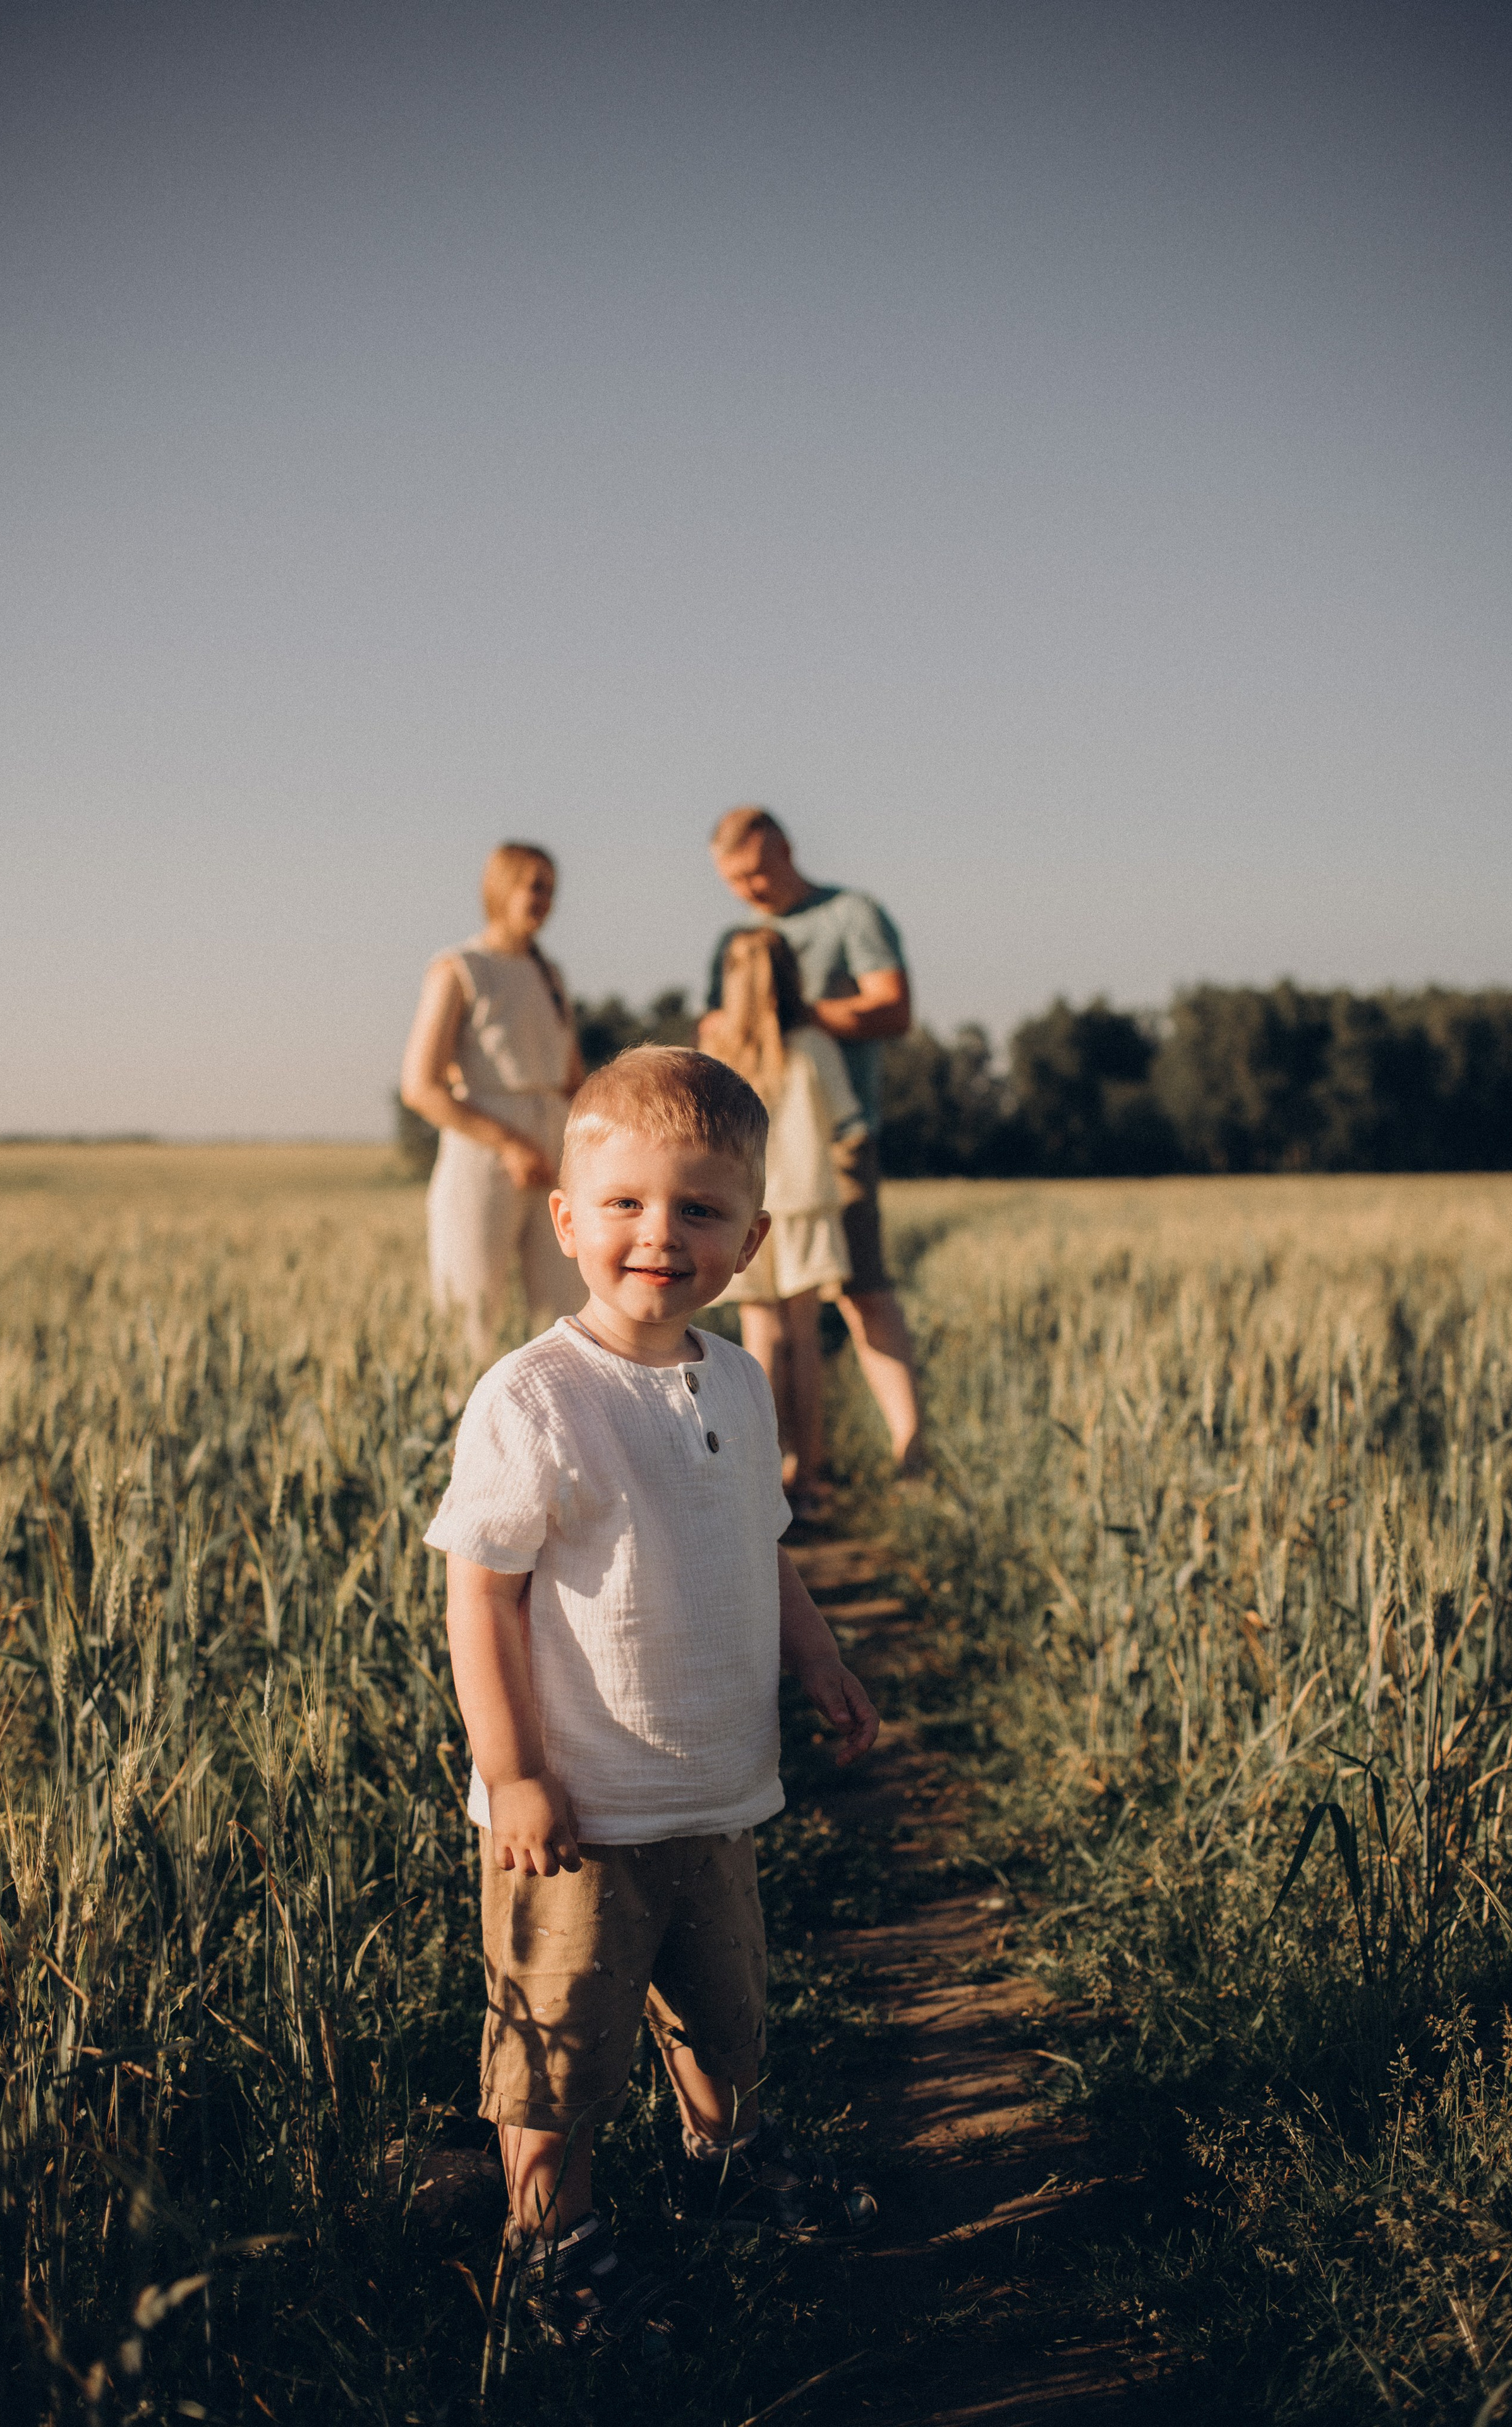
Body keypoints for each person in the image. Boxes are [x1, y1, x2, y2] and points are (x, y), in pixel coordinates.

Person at [425, 1045, 880, 2350]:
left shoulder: (735, 1380)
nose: (657, 1235)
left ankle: (722, 2163)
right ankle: (551, 2245)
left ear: (752, 1235)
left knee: (722, 2013)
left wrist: (821, 1659)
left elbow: (763, 1545)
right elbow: (482, 1597)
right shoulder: (535, 1397)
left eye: (697, 1208)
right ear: (564, 1218)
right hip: (573, 1812)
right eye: (623, 1202)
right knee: (556, 2048)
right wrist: (512, 1771)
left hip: (713, 1788)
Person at [708, 805, 921, 1468]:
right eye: (733, 881)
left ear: (784, 851)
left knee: (863, 1291)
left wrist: (794, 1014)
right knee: (778, 1321)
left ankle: (909, 1451)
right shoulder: (740, 936)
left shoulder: (850, 914)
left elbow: (893, 1006)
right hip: (760, 1155)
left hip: (835, 1142)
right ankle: (791, 1465)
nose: (749, 891)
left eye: (755, 873)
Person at [698, 927, 866, 1519]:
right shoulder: (815, 1045)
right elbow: (849, 1127)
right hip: (809, 1205)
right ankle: (811, 1472)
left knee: (760, 1342)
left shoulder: (716, 1049)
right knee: (804, 1343)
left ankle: (760, 1475)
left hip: (744, 1211)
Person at [399, 842, 585, 1363]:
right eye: (535, 885)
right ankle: (463, 1435)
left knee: (566, 1313)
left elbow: (573, 1079)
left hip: (556, 1149)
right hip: (482, 1155)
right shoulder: (458, 968)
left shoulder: (552, 975)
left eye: (552, 887)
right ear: (501, 888)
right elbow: (421, 1086)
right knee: (471, 1316)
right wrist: (509, 1144)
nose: (546, 898)